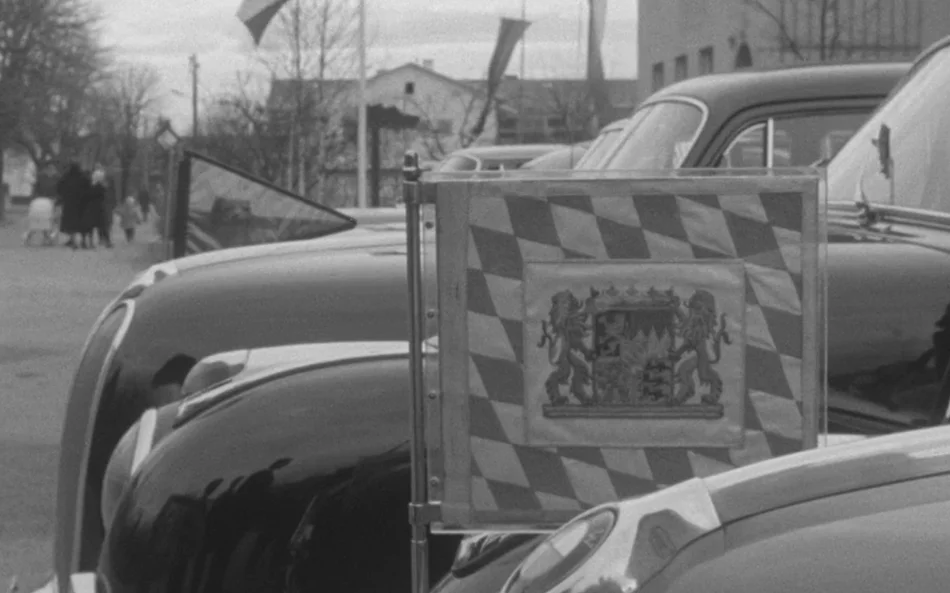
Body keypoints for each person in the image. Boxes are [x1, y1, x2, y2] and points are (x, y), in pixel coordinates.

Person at [56, 163, 90, 249]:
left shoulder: (66, 177)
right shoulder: (83, 178)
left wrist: (64, 196)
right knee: (82, 222)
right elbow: (89, 188)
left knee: (71, 223)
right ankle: (83, 241)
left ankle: (73, 240)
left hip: (69, 204)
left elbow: (59, 187)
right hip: (82, 204)